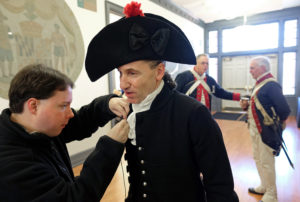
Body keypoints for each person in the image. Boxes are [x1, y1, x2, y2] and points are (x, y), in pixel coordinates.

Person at [85, 2, 239, 202]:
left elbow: (220, 187)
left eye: (132, 73)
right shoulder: (128, 109)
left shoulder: (194, 114)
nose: (123, 83)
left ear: (158, 72)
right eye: (120, 73)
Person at [0, 64, 130, 201]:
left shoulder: (37, 127)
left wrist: (108, 105)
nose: (70, 114)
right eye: (63, 106)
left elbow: (80, 121)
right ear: (33, 106)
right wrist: (109, 147)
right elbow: (73, 198)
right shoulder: (11, 164)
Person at [240, 56, 290, 202]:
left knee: (267, 162)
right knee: (258, 159)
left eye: (252, 67)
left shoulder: (271, 85)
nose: (250, 71)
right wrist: (248, 106)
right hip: (255, 129)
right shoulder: (260, 84)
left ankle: (272, 194)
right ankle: (264, 186)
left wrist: (275, 127)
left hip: (266, 131)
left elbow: (284, 110)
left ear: (263, 68)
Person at [175, 53, 240, 110]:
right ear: (196, 63)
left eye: (207, 63)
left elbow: (221, 93)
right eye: (203, 63)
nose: (205, 65)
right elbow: (174, 95)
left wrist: (239, 96)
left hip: (205, 115)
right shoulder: (183, 77)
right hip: (187, 115)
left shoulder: (210, 80)